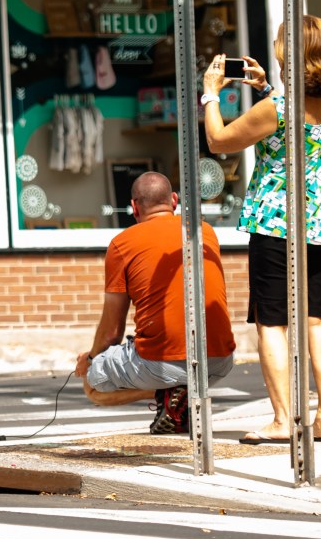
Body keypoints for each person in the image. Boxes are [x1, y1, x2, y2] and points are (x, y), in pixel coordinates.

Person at [203, 16, 321, 444]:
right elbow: (292, 134)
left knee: (273, 324)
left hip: (276, 225)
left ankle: (284, 420)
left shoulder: (279, 109)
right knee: (317, 322)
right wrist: (266, 88)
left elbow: (219, 141)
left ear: (291, 54)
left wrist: (210, 95)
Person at [74, 172, 236, 434]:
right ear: (174, 200)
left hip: (162, 362)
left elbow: (112, 332)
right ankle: (177, 397)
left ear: (134, 207)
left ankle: (170, 392)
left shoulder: (122, 244)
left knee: (92, 383)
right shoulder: (203, 230)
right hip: (219, 361)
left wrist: (90, 358)